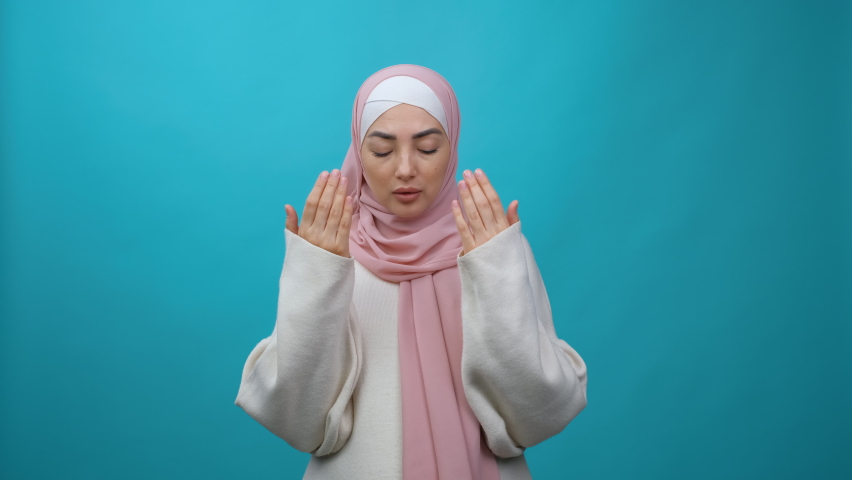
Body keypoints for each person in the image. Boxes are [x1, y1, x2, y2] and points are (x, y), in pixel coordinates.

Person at [234, 64, 588, 480]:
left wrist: (494, 271)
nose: (405, 169)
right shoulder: (332, 250)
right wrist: (318, 274)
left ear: (452, 147)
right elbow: (298, 423)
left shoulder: (489, 247)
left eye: (428, 148)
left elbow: (538, 417)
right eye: (382, 150)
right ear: (358, 152)